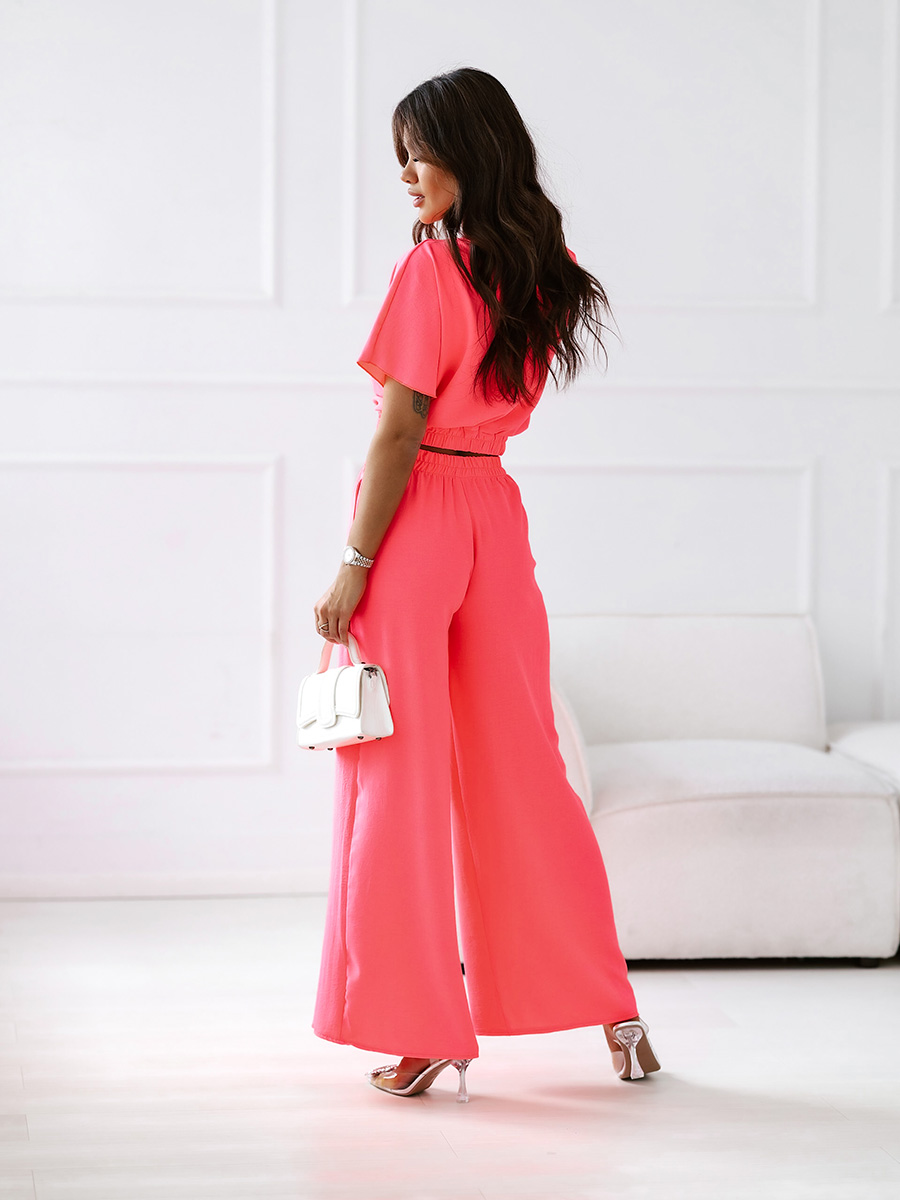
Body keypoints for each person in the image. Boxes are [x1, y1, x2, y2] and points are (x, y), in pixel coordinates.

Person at [311, 67, 660, 1102]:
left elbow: (400, 430)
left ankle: (421, 1027)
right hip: (496, 516)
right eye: (401, 158)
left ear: (469, 149)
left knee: (395, 773)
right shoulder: (545, 271)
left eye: (419, 152)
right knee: (525, 767)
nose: (406, 174)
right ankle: (618, 1016)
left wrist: (355, 563)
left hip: (416, 518)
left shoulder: (431, 270)